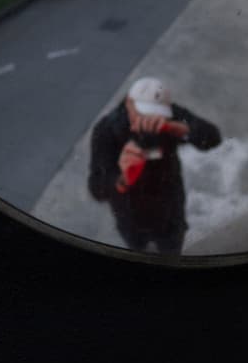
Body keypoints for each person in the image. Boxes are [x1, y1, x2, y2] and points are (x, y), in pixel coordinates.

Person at [88, 77, 221, 255]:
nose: (150, 121)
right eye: (143, 113)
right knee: (139, 253)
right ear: (129, 103)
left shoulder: (170, 115)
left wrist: (184, 130)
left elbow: (213, 138)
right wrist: (123, 178)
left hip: (169, 210)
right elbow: (97, 188)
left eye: (156, 114)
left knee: (172, 253)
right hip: (132, 217)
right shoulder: (107, 131)